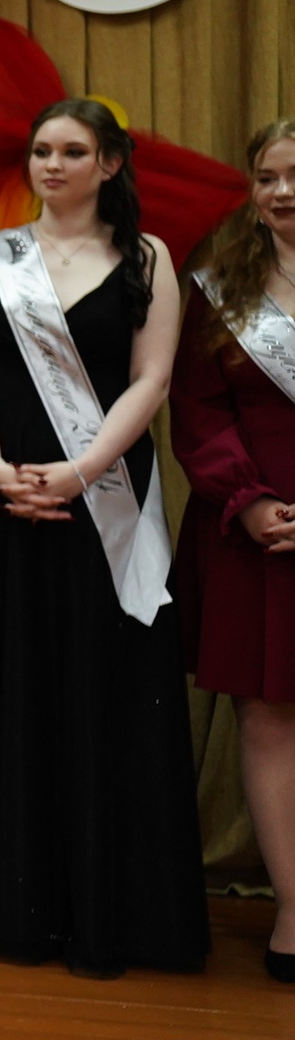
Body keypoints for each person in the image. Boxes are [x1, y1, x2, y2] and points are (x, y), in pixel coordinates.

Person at [0, 99, 207, 977]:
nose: (51, 165)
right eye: (41, 151)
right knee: (16, 680)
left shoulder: (148, 257)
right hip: (6, 490)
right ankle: (17, 908)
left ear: (110, 163)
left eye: (72, 151)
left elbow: (152, 380)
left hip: (107, 494)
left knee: (105, 686)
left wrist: (83, 470)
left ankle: (109, 913)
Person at [174, 118, 295, 983]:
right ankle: (294, 904)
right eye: (268, 176)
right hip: (256, 531)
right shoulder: (220, 290)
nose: (284, 191)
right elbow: (197, 407)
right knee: (269, 716)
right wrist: (246, 500)